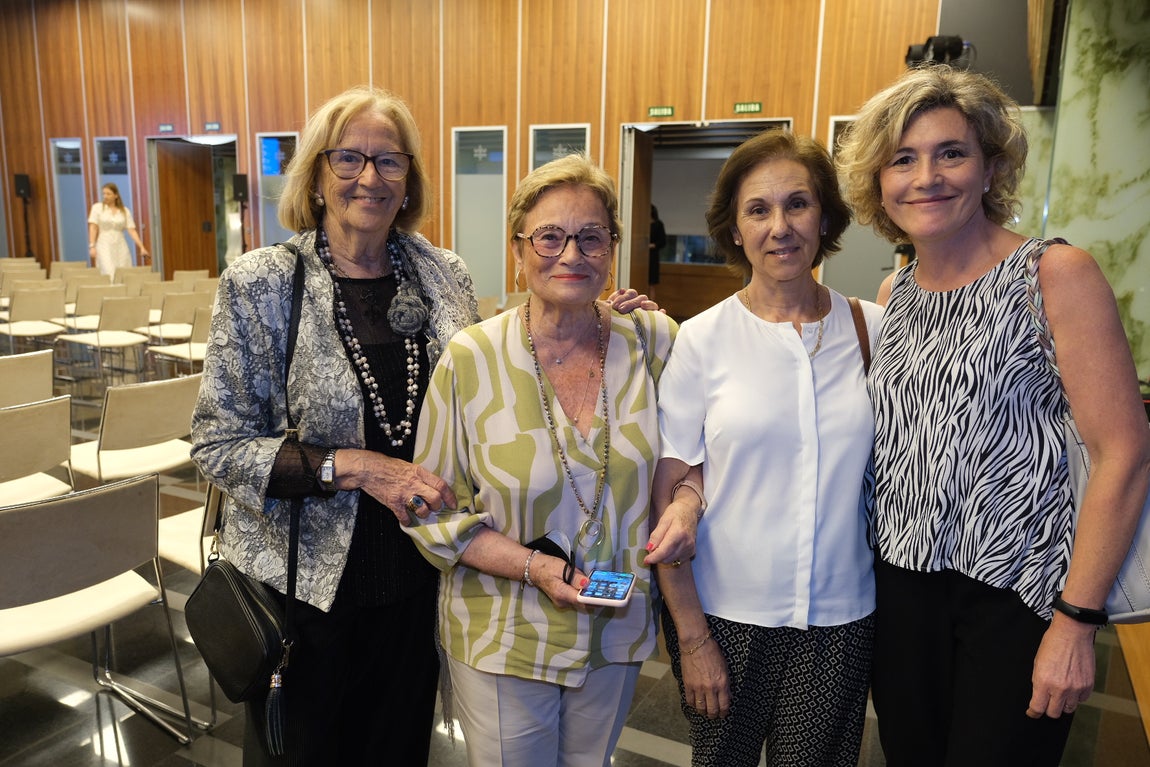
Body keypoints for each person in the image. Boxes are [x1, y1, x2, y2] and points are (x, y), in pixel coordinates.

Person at [835, 65, 1150, 766]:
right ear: (880, 182)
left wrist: (1075, 622)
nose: (928, 176)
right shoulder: (898, 289)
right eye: (903, 159)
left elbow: (1122, 454)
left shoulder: (1055, 274)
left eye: (952, 152)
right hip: (904, 592)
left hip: (1018, 600)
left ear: (988, 166)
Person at [191, 86, 479, 765]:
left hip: (417, 581)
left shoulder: (446, 275)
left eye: (390, 161)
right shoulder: (262, 281)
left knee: (400, 751)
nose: (370, 177)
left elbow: (492, 379)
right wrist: (359, 466)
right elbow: (216, 444)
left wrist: (593, 317)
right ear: (317, 176)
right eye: (348, 158)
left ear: (409, 180)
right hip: (302, 597)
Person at [403, 153, 693, 767]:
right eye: (550, 237)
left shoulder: (654, 341)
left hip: (615, 626)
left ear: (612, 247)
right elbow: (428, 510)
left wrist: (689, 501)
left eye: (591, 237)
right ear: (518, 248)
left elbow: (695, 454)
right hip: (502, 630)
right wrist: (535, 568)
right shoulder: (470, 358)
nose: (571, 254)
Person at [652, 129, 881, 766]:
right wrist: (692, 637)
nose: (779, 226)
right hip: (727, 617)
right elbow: (668, 494)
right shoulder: (700, 340)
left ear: (826, 217)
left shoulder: (874, 329)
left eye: (797, 204)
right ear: (734, 227)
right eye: (758, 209)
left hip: (840, 618)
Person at [87, 182, 149, 275]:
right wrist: (92, 246)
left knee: (124, 271)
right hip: (104, 243)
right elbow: (93, 227)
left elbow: (131, 230)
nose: (105, 196)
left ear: (116, 195)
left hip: (120, 244)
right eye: (104, 193)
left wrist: (142, 247)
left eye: (108, 194)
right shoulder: (97, 208)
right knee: (109, 270)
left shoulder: (125, 211)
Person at [649, 204, 667, 288]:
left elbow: (663, 241)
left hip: (653, 256)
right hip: (641, 256)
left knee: (652, 283)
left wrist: (653, 245)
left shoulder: (658, 224)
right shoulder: (641, 224)